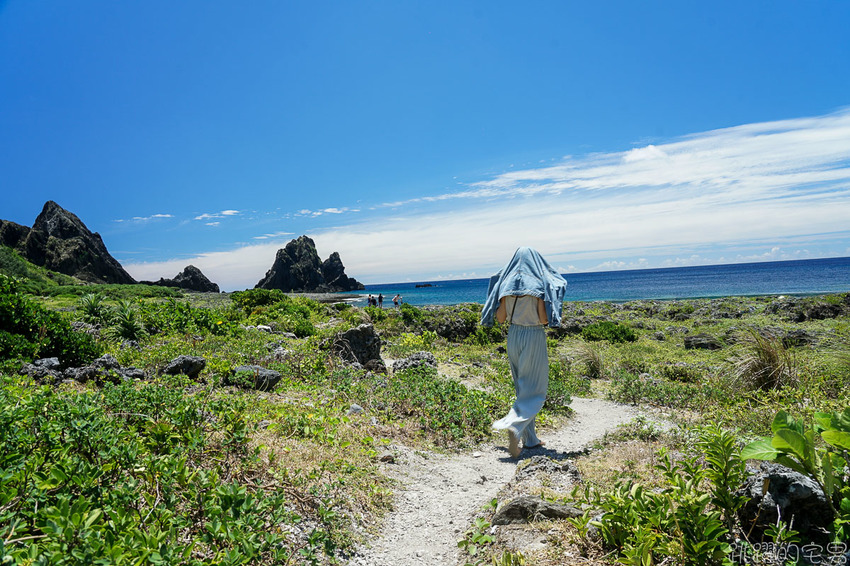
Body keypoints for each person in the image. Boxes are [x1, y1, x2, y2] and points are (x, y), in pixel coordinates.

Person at [480, 247, 567, 458]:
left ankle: (531, 440)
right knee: (536, 389)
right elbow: (544, 319)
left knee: (522, 387)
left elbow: (500, 319)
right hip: (533, 335)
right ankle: (514, 426)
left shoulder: (505, 287)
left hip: (513, 336)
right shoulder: (537, 286)